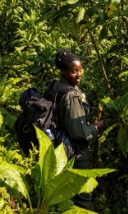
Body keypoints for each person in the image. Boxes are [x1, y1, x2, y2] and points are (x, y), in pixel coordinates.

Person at [48, 49, 105, 211]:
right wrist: (96, 128)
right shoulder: (71, 95)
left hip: (60, 149)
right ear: (64, 71)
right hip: (76, 154)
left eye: (80, 70)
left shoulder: (56, 85)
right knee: (82, 197)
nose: (79, 75)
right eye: (74, 71)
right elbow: (79, 133)